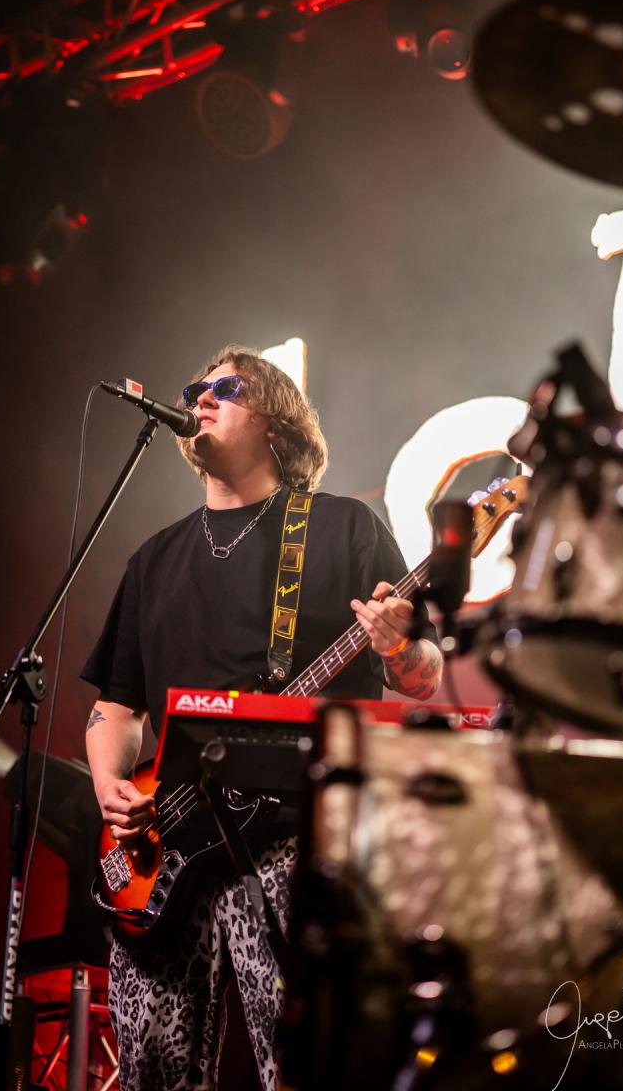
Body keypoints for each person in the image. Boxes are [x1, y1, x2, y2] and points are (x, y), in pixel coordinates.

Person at [82, 345, 442, 1091]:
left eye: (228, 388)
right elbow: (115, 705)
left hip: (296, 840)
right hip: (163, 853)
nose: (202, 399)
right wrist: (109, 786)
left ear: (278, 423)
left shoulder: (343, 528)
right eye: (196, 389)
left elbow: (424, 676)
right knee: (152, 1074)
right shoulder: (152, 561)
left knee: (305, 1065)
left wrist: (397, 646)